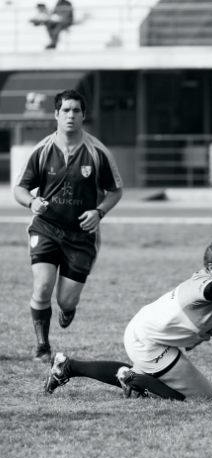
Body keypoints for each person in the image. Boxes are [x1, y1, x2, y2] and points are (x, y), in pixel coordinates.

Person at [44, 239, 212, 400]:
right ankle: (133, 379)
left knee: (168, 382)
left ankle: (67, 366)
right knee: (202, 395)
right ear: (211, 268)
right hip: (146, 339)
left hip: (154, 336)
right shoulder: (199, 287)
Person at [14, 89, 123, 362]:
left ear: (84, 115)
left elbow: (115, 191)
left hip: (82, 236)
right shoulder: (42, 150)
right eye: (65, 110)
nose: (71, 115)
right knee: (42, 287)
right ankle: (42, 347)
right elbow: (20, 189)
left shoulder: (98, 152)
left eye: (76, 110)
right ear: (56, 115)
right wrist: (31, 203)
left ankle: (68, 308)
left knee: (66, 300)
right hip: (46, 228)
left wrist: (99, 212)